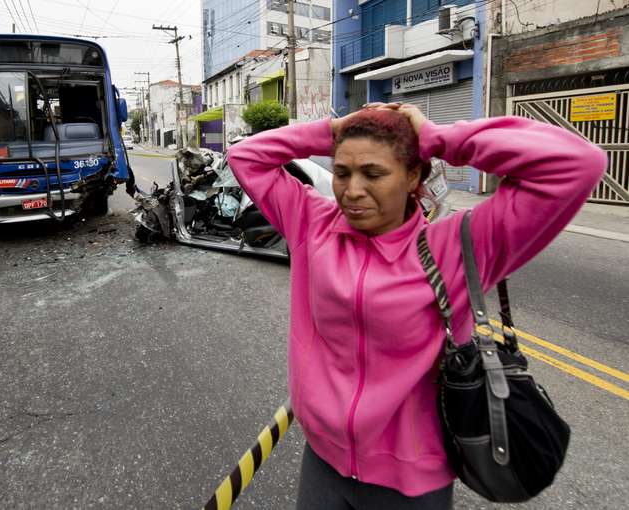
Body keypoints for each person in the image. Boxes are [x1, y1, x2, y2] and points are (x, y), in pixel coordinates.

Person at [225, 104, 606, 509]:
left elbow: (578, 163)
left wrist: (437, 138)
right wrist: (332, 130)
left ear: (412, 177)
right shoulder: (312, 224)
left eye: (373, 174)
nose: (352, 190)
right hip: (323, 463)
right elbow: (246, 156)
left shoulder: (459, 246)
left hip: (412, 483)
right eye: (341, 173)